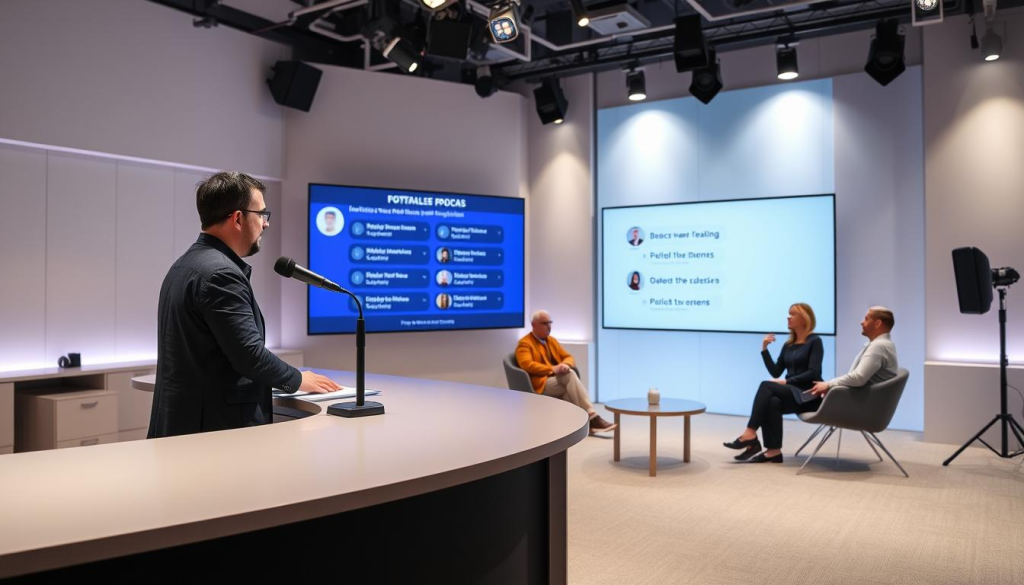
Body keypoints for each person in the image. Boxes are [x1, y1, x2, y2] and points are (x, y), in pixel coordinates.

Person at [148, 172, 340, 438]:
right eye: (261, 214)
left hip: (186, 424)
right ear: (238, 218)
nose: (265, 224)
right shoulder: (219, 274)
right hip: (214, 432)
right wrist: (298, 379)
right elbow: (249, 355)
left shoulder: (185, 264)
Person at [723, 303, 824, 463]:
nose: (788, 317)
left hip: (808, 395)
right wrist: (764, 350)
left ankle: (750, 433)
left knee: (766, 385)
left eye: (793, 314)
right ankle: (774, 451)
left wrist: (787, 381)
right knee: (772, 402)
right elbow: (776, 371)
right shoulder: (789, 344)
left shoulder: (815, 341)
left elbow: (814, 373)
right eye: (788, 314)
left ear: (805, 318)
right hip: (792, 392)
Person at [516, 310, 617, 434]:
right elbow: (526, 365)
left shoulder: (551, 340)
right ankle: (592, 416)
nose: (549, 326)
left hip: (554, 381)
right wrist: (552, 369)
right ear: (534, 325)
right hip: (539, 383)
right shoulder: (525, 343)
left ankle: (587, 423)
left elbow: (568, 357)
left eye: (550, 322)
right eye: (544, 323)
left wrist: (565, 365)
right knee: (570, 377)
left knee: (569, 385)